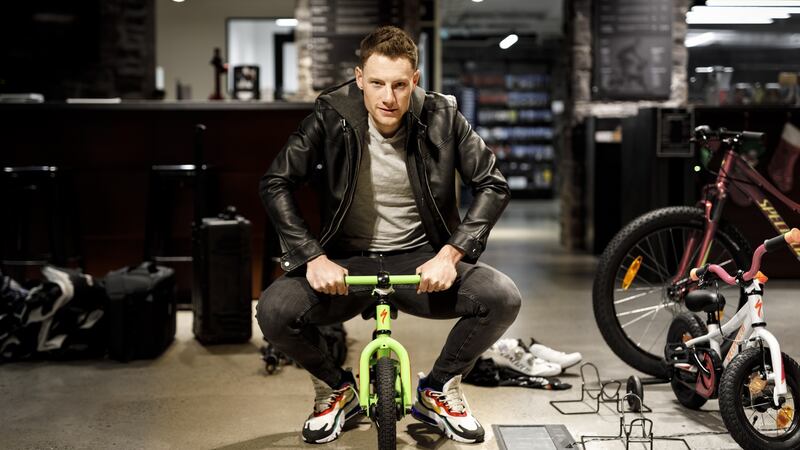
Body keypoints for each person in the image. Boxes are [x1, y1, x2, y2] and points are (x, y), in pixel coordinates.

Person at [257, 25, 521, 445]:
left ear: (414, 80)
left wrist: (451, 254)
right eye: (376, 83)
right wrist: (312, 257)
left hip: (421, 259)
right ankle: (335, 388)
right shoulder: (330, 114)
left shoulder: (443, 114)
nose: (388, 97)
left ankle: (438, 388)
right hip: (345, 259)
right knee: (273, 311)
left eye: (400, 85)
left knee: (502, 297)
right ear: (359, 77)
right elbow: (276, 182)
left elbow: (493, 183)